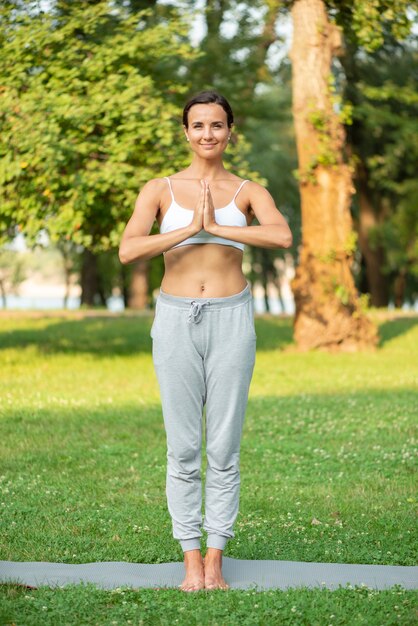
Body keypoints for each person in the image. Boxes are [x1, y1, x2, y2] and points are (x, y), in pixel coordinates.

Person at [119, 90, 292, 592]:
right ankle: (190, 560)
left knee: (224, 445)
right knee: (183, 447)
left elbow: (281, 237)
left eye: (217, 125)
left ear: (229, 132)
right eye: (198, 126)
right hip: (175, 319)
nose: (208, 134)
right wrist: (188, 229)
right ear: (186, 132)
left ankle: (215, 559)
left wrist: (216, 224)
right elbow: (130, 249)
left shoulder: (246, 191)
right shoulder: (160, 189)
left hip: (231, 318)